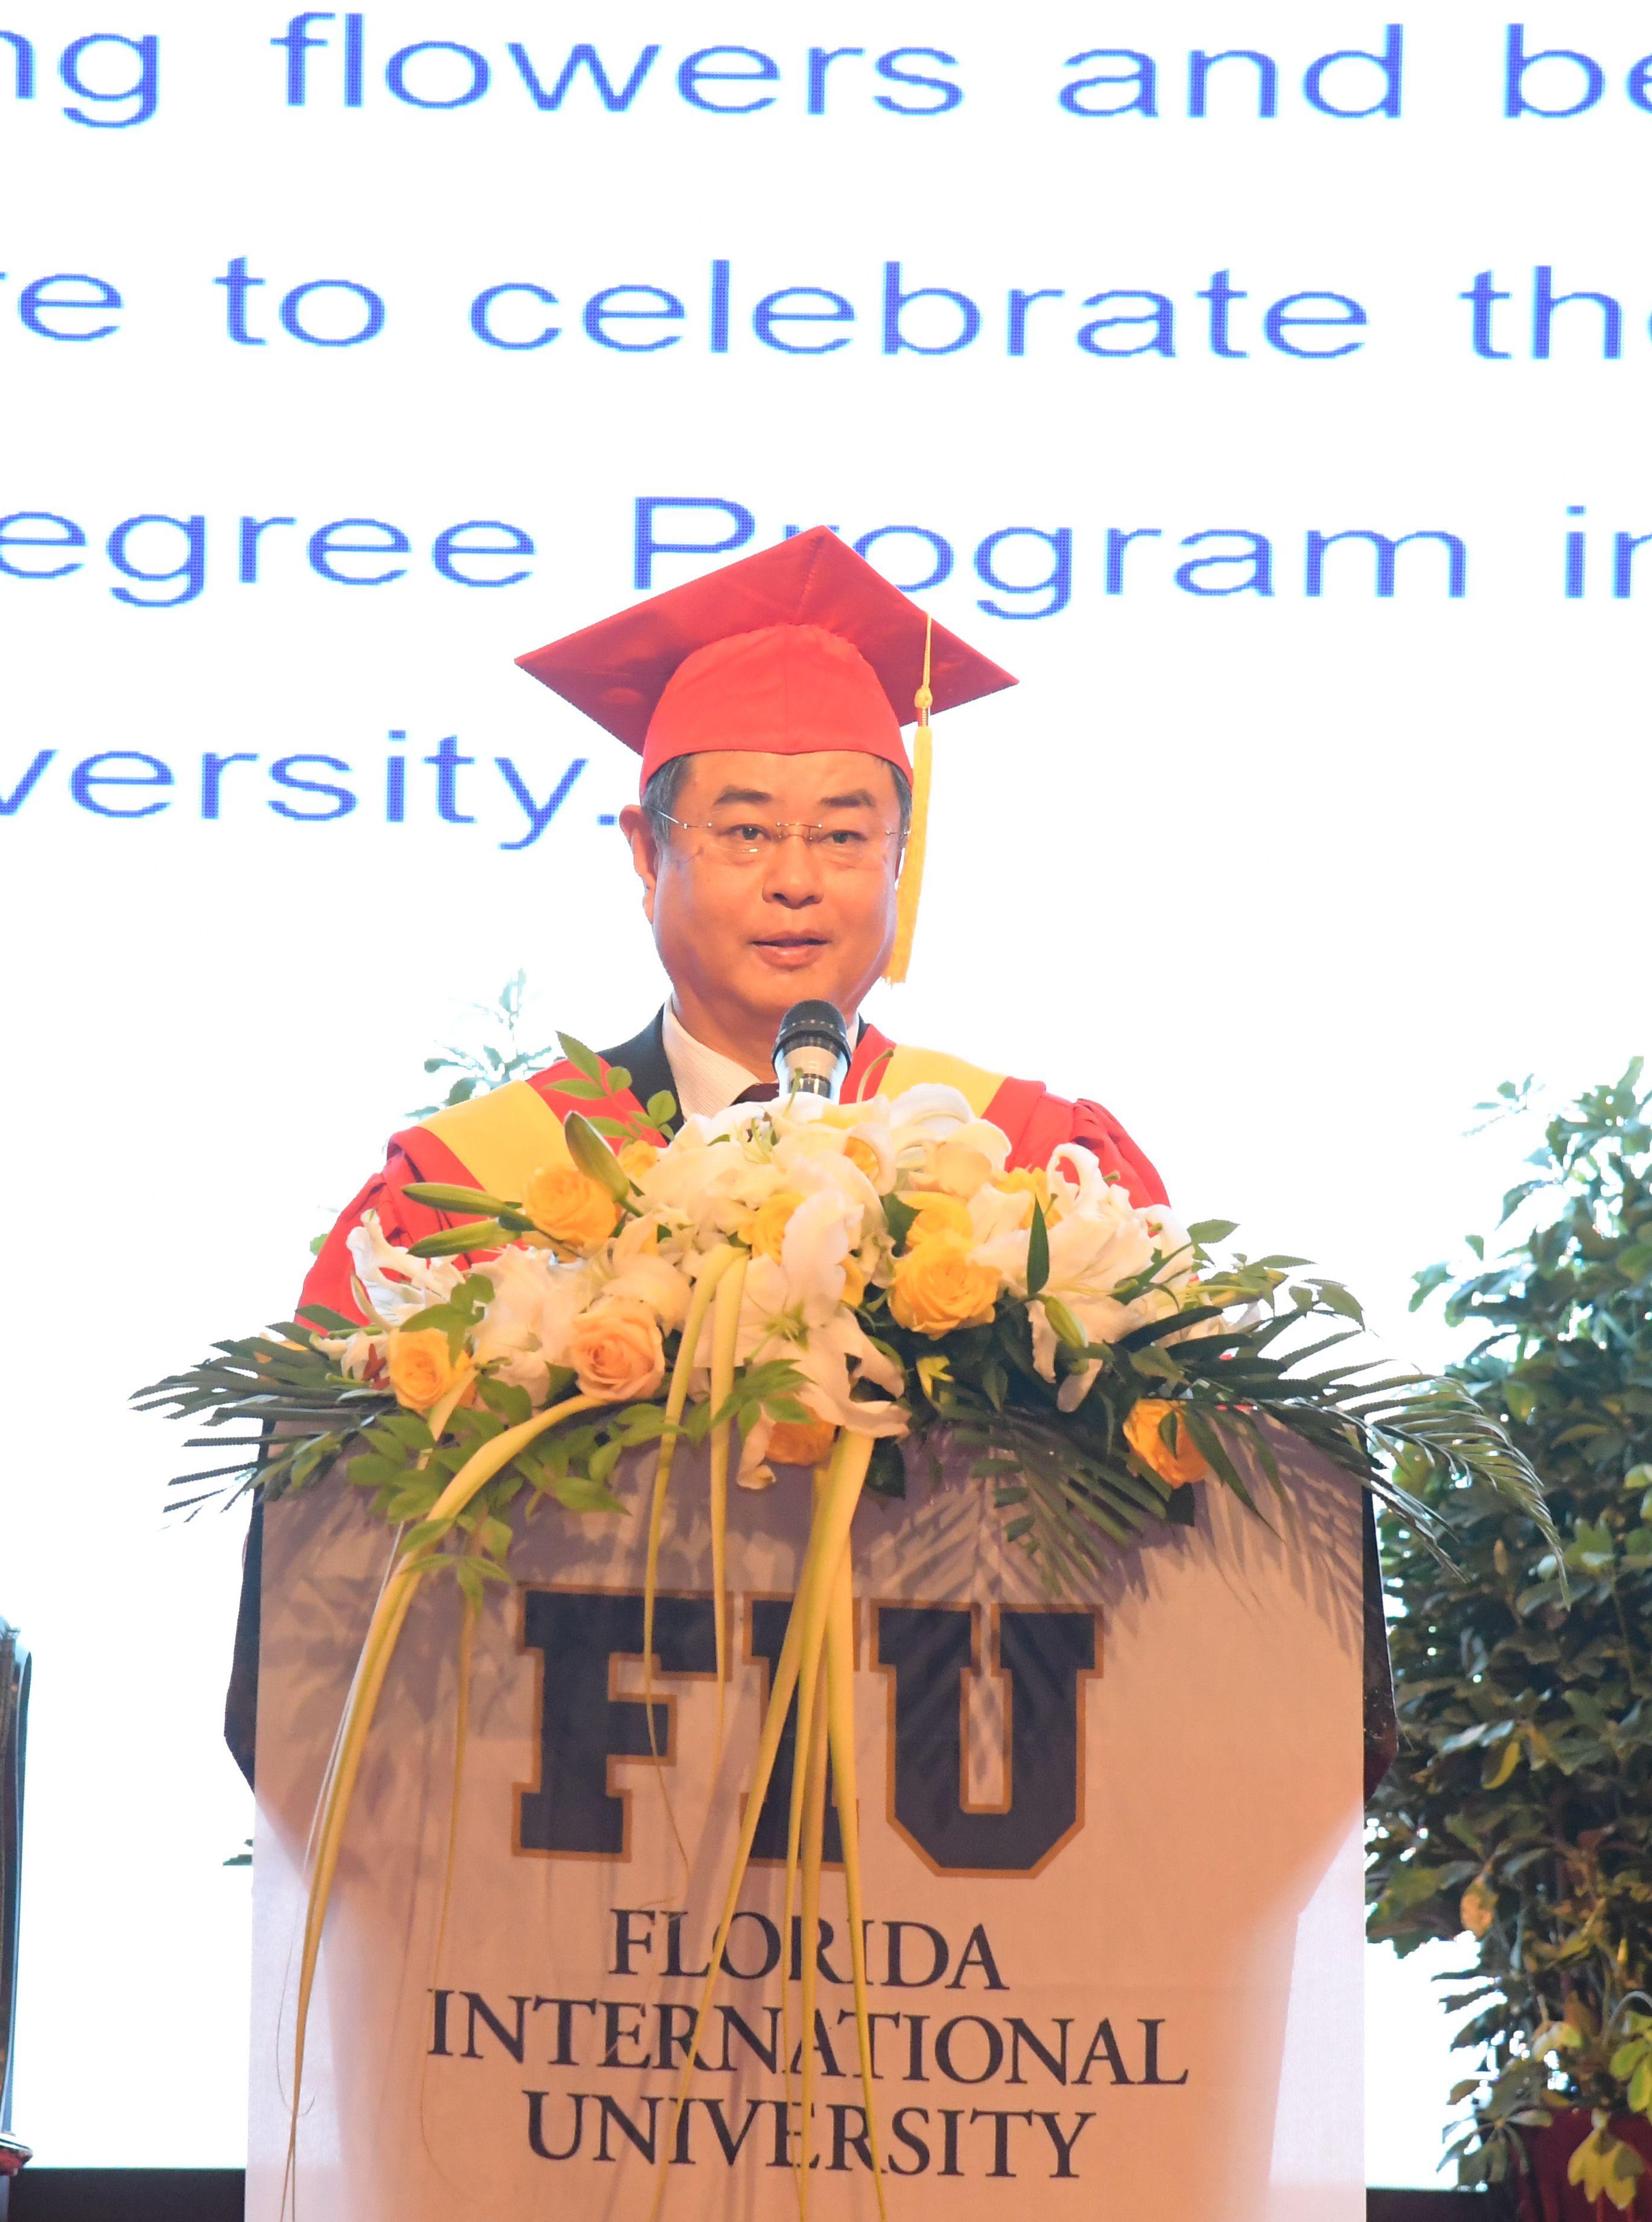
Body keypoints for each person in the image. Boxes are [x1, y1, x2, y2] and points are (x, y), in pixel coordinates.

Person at [224, 527, 1270, 1779]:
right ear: (644, 851)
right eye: (745, 833)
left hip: (966, 1806)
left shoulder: (1034, 1167)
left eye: (844, 837)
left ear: (901, 858)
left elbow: (1195, 1538)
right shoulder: (471, 1186)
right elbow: (320, 1574)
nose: (797, 883)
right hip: (548, 1808)